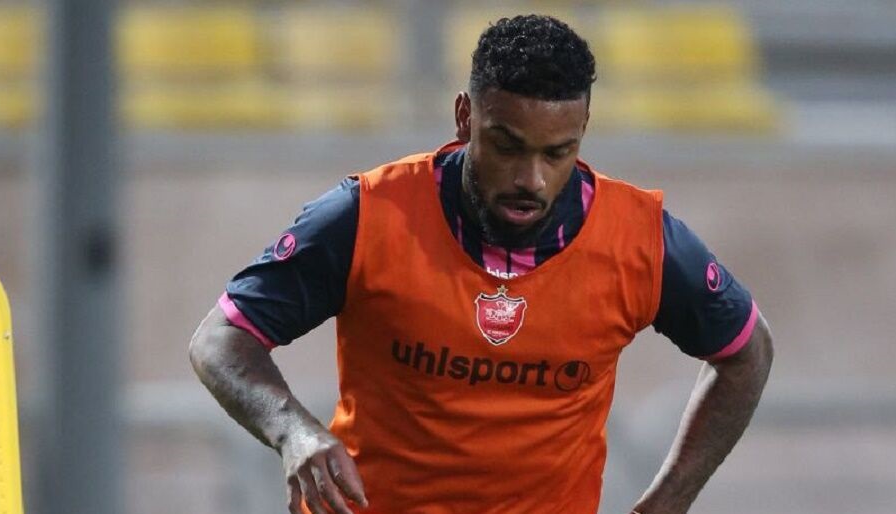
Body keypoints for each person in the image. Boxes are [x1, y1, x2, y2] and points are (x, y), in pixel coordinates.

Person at [189, 14, 773, 514]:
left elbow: (747, 353)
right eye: (507, 145)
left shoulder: (640, 241)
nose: (531, 179)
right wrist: (293, 432)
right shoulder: (369, 215)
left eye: (557, 153)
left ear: (583, 132)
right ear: (465, 117)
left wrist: (668, 499)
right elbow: (219, 340)